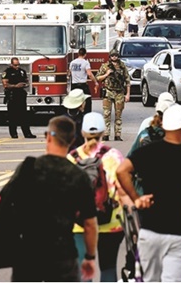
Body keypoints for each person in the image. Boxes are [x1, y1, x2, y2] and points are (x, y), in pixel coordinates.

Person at [116, 105, 181, 282]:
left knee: (150, 279)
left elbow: (122, 171)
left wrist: (137, 199)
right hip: (178, 231)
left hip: (150, 229)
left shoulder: (147, 152)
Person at [11, 116, 98, 281]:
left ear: (48, 137)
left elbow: (5, 203)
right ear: (72, 140)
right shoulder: (78, 176)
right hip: (63, 254)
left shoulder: (28, 168)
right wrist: (90, 257)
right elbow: (90, 224)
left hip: (29, 252)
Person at [67, 112, 128, 282]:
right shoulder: (113, 156)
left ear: (82, 133)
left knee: (83, 270)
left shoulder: (72, 158)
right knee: (108, 267)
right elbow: (122, 190)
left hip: (80, 224)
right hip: (111, 222)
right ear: (103, 132)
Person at [97, 49, 130, 141]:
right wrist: (106, 74)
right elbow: (98, 78)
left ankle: (117, 134)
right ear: (110, 57)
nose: (114, 57)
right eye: (112, 56)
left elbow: (127, 80)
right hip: (108, 91)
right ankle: (106, 134)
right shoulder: (105, 66)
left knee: (118, 115)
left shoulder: (122, 66)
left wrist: (127, 94)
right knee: (106, 114)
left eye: (115, 55)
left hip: (119, 92)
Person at [2, 57, 36, 139]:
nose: (17, 66)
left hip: (21, 95)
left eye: (18, 64)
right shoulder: (7, 72)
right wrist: (15, 86)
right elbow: (5, 84)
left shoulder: (22, 71)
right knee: (12, 116)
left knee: (24, 115)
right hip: (12, 94)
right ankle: (13, 133)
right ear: (11, 64)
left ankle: (27, 133)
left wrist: (25, 84)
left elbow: (27, 81)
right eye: (15, 65)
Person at [69, 48, 99, 114]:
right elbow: (89, 74)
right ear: (85, 54)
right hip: (83, 85)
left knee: (74, 101)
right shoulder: (85, 63)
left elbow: (70, 73)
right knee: (87, 100)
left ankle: (74, 114)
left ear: (78, 54)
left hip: (74, 85)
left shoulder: (72, 63)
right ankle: (86, 115)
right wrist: (95, 82)